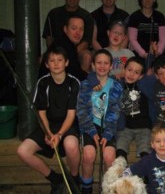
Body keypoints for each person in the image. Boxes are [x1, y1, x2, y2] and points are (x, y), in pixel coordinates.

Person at [17, 46, 81, 194]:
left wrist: (58, 135)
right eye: (52, 60)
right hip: (48, 125)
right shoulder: (42, 83)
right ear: (46, 64)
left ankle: (74, 179)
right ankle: (55, 179)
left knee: (71, 145)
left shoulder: (74, 83)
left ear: (66, 62)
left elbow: (71, 115)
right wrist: (48, 132)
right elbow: (41, 114)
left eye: (60, 60)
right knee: (23, 151)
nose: (56, 63)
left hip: (67, 124)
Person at [77, 49, 123, 194]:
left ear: (111, 66)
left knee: (109, 156)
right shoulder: (86, 85)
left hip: (108, 127)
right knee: (89, 154)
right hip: (90, 125)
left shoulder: (116, 86)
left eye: (106, 63)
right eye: (99, 63)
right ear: (93, 65)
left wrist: (108, 133)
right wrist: (91, 131)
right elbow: (82, 110)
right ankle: (86, 188)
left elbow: (115, 112)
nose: (102, 66)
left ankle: (108, 188)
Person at [42, 0, 94, 72]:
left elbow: (86, 42)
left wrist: (69, 54)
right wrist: (58, 53)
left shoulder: (87, 16)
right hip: (57, 50)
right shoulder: (54, 13)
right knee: (42, 59)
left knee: (86, 56)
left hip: (78, 52)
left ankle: (82, 83)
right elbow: (49, 38)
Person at [116, 56, 152, 161]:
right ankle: (121, 172)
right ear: (124, 69)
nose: (131, 74)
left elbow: (159, 74)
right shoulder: (118, 84)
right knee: (120, 148)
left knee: (145, 149)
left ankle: (145, 174)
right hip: (125, 127)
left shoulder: (144, 84)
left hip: (144, 127)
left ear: (141, 76)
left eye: (136, 72)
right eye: (129, 70)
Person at [39, 15, 88, 81]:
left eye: (81, 29)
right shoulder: (62, 45)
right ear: (65, 29)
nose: (78, 32)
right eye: (74, 28)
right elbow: (75, 73)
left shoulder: (66, 43)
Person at [128, 0, 165, 73]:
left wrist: (157, 52)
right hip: (138, 52)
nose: (147, 0)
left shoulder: (159, 16)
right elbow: (132, 39)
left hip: (156, 52)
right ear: (141, 0)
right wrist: (144, 54)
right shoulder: (134, 16)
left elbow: (163, 39)